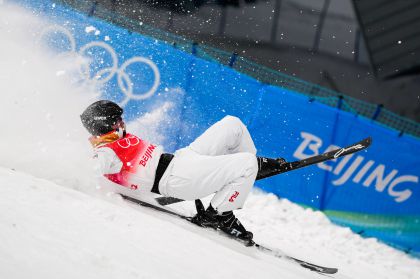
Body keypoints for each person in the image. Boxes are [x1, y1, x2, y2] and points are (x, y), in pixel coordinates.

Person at [81, 100, 285, 241]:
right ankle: (219, 214)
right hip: (176, 180)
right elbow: (90, 169)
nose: (122, 122)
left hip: (180, 160)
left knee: (233, 124)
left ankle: (240, 177)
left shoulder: (116, 139)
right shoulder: (106, 151)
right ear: (104, 125)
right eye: (117, 120)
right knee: (248, 162)